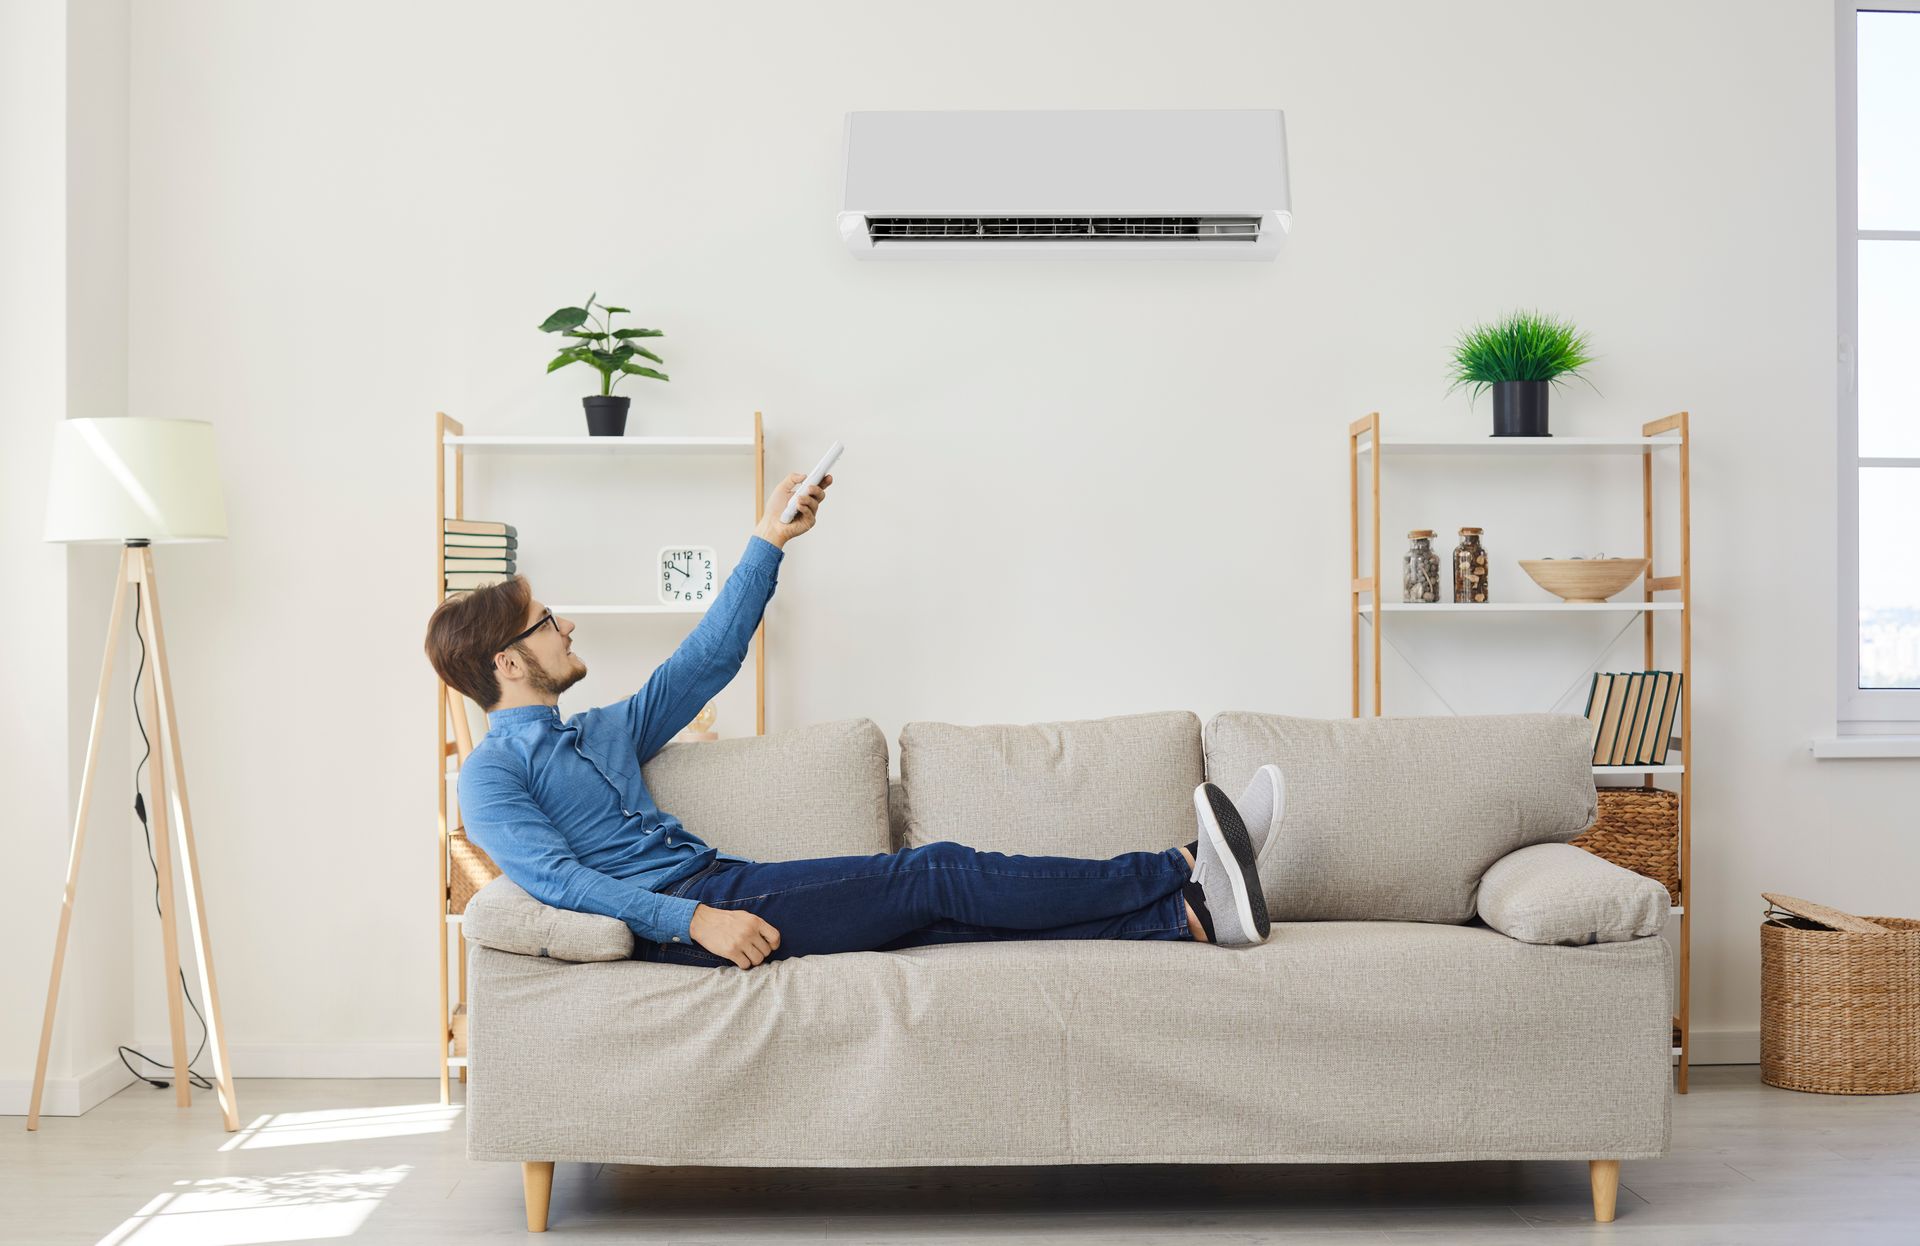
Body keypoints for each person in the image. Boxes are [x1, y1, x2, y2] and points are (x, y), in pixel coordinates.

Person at [423, 469, 1276, 971]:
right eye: (547, 623)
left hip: (722, 878)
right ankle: (1182, 864)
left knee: (938, 919)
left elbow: (707, 660)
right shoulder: (493, 775)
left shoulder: (602, 729)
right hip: (692, 913)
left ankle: (1187, 918)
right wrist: (696, 922)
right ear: (507, 662)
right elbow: (558, 883)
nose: (567, 625)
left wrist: (769, 540)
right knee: (935, 872)